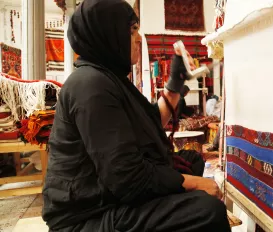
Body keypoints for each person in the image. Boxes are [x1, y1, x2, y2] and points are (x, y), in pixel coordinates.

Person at [42, 1, 230, 231]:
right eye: (132, 30)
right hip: (85, 216)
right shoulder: (90, 86)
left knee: (191, 161)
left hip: (107, 193)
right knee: (207, 211)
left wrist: (175, 83)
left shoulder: (109, 79)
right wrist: (196, 184)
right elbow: (127, 178)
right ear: (107, 33)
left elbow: (150, 124)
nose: (139, 38)